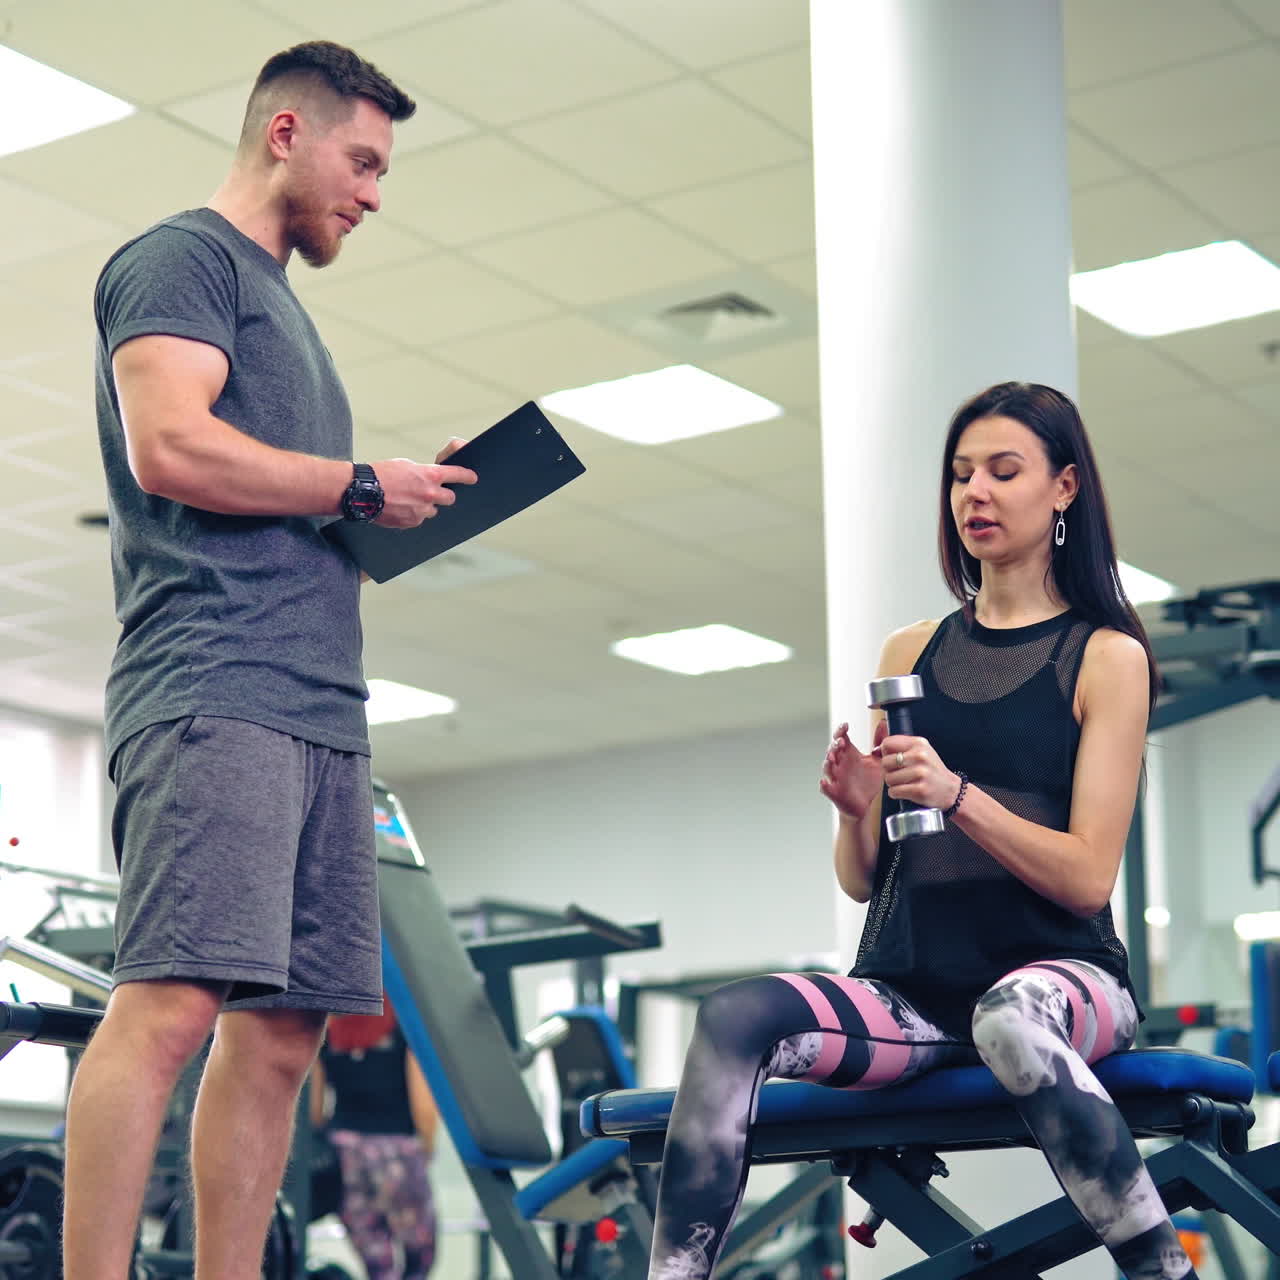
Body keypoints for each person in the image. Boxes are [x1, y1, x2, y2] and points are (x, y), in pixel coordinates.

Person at [67, 41, 477, 1279]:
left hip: (320, 712)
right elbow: (171, 447)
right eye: (362, 160)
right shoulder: (181, 260)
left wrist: (393, 505)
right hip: (213, 686)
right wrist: (357, 479)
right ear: (285, 135)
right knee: (174, 1005)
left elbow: (284, 500)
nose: (373, 191)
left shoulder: (292, 318)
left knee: (287, 1032)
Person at [647, 382, 1194, 1280]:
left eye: (1003, 471)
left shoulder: (1105, 656)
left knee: (1009, 1019)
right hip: (914, 995)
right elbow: (867, 881)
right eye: (960, 475)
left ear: (1063, 489)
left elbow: (1089, 879)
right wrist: (856, 809)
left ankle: (1167, 1274)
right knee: (736, 1014)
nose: (975, 492)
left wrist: (960, 794)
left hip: (1063, 982)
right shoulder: (910, 654)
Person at [310, 1003, 439, 1280]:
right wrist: (427, 1148)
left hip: (344, 1152)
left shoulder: (328, 1031)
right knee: (420, 1254)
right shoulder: (404, 1026)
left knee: (377, 1260)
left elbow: (315, 1110)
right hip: (397, 1151)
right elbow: (424, 1106)